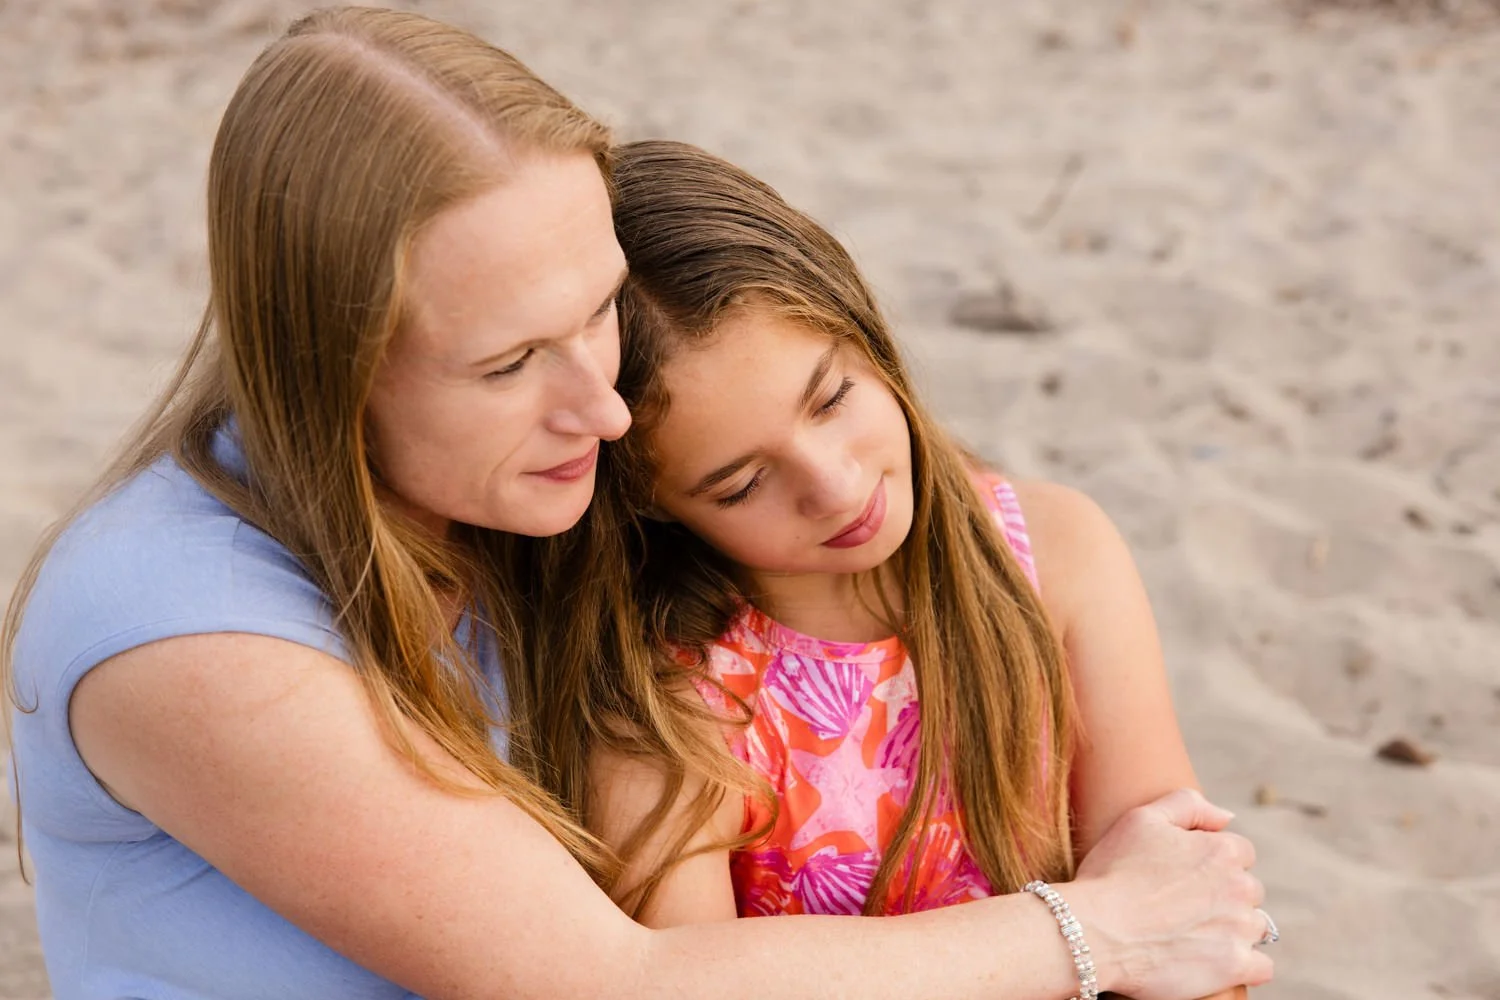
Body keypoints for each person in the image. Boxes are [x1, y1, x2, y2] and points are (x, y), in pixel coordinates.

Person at [3, 8, 1269, 999]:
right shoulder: (192, 640)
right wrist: (1102, 926)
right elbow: (614, 982)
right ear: (328, 374)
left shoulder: (520, 495)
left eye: (597, 306)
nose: (605, 412)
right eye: (508, 364)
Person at [568, 140, 1273, 996]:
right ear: (648, 502)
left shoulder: (1054, 553)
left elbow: (1195, 925)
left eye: (832, 398)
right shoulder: (670, 699)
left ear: (864, 330)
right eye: (743, 483)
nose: (834, 485)